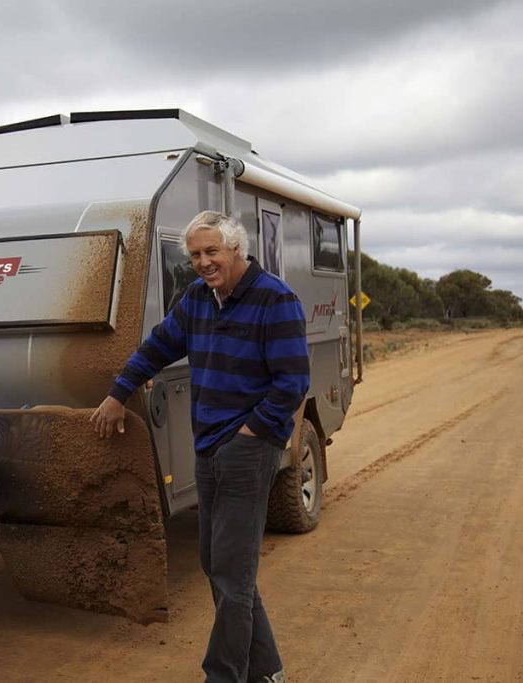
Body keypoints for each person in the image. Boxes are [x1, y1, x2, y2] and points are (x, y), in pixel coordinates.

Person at [90, 210, 310, 683]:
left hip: (246, 450)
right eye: (194, 254)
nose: (203, 262)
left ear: (236, 249)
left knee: (232, 571)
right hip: (209, 446)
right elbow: (157, 347)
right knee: (218, 564)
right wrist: (116, 393)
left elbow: (292, 383)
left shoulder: (276, 299)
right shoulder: (197, 299)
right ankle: (267, 670)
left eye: (212, 251)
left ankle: (224, 675)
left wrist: (249, 435)